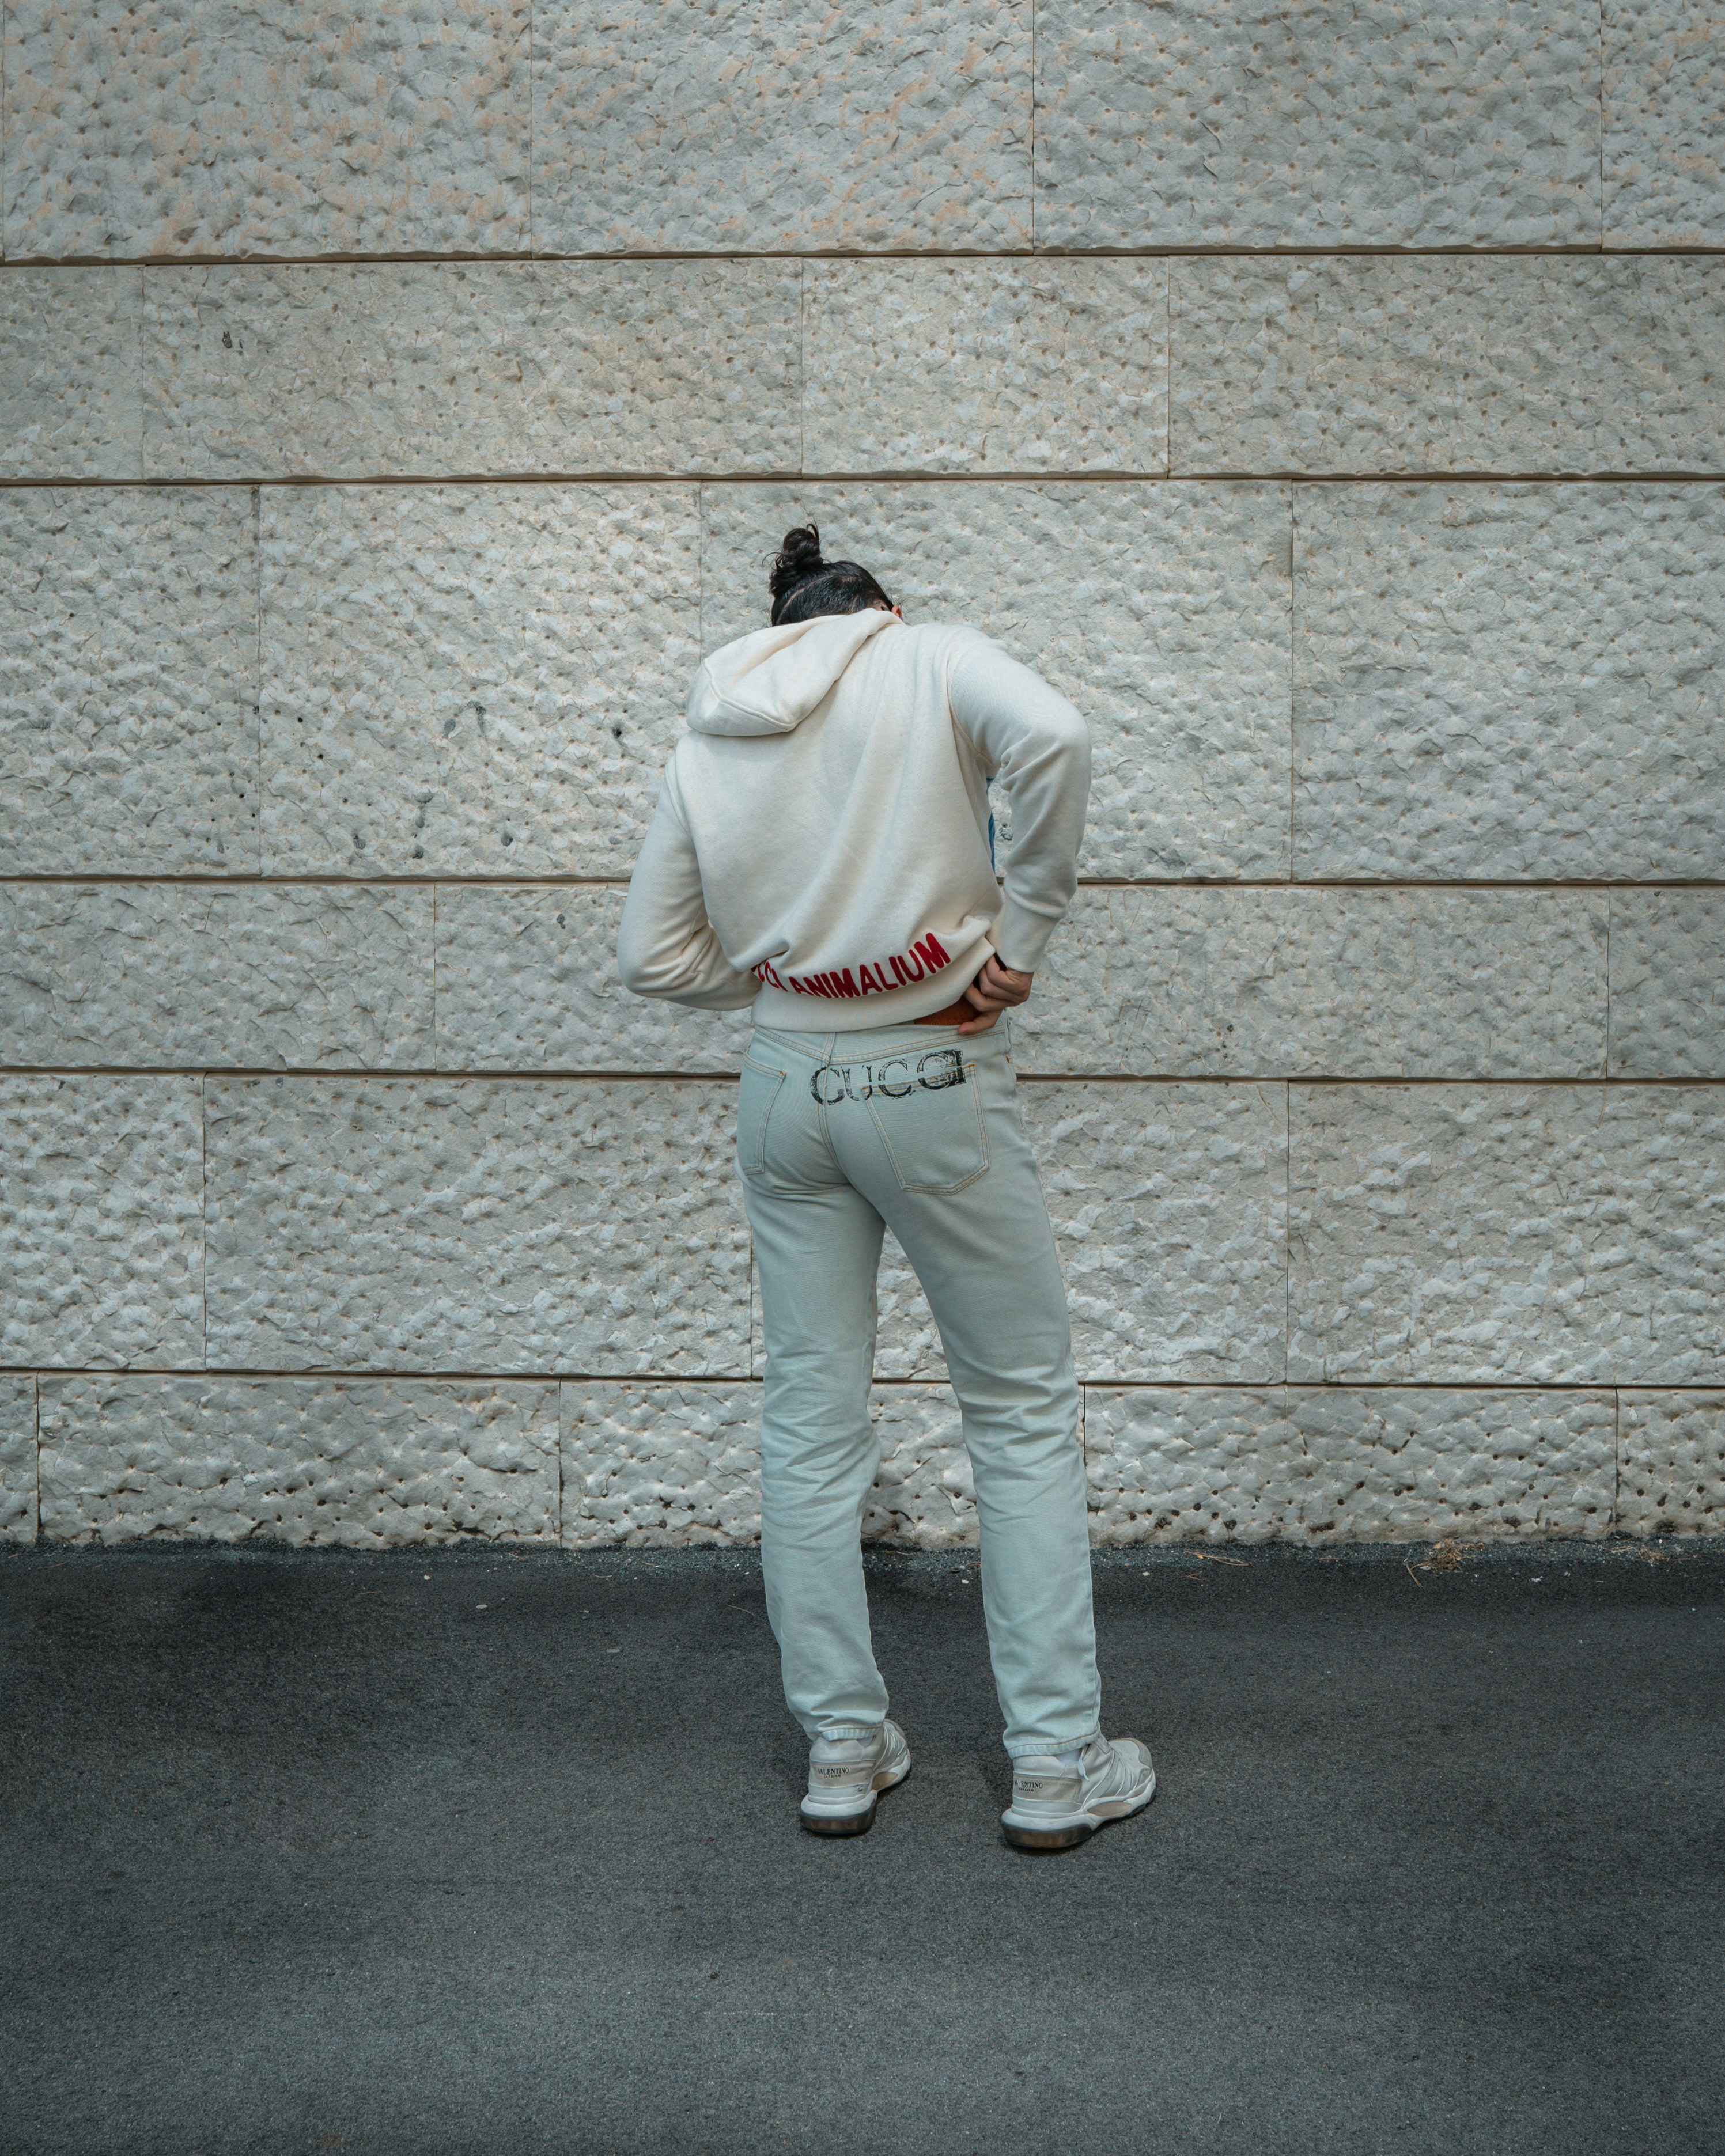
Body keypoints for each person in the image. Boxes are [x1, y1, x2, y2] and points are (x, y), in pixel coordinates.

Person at [616, 524, 1156, 1852]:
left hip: (786, 1089)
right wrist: (1016, 945)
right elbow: (1061, 741)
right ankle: (1050, 1766)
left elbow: (654, 956)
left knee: (810, 1422)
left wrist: (801, 975)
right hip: (935, 1078)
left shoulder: (711, 724)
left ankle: (843, 1750)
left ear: (782, 622)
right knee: (1019, 1413)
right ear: (881, 608)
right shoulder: (930, 656)